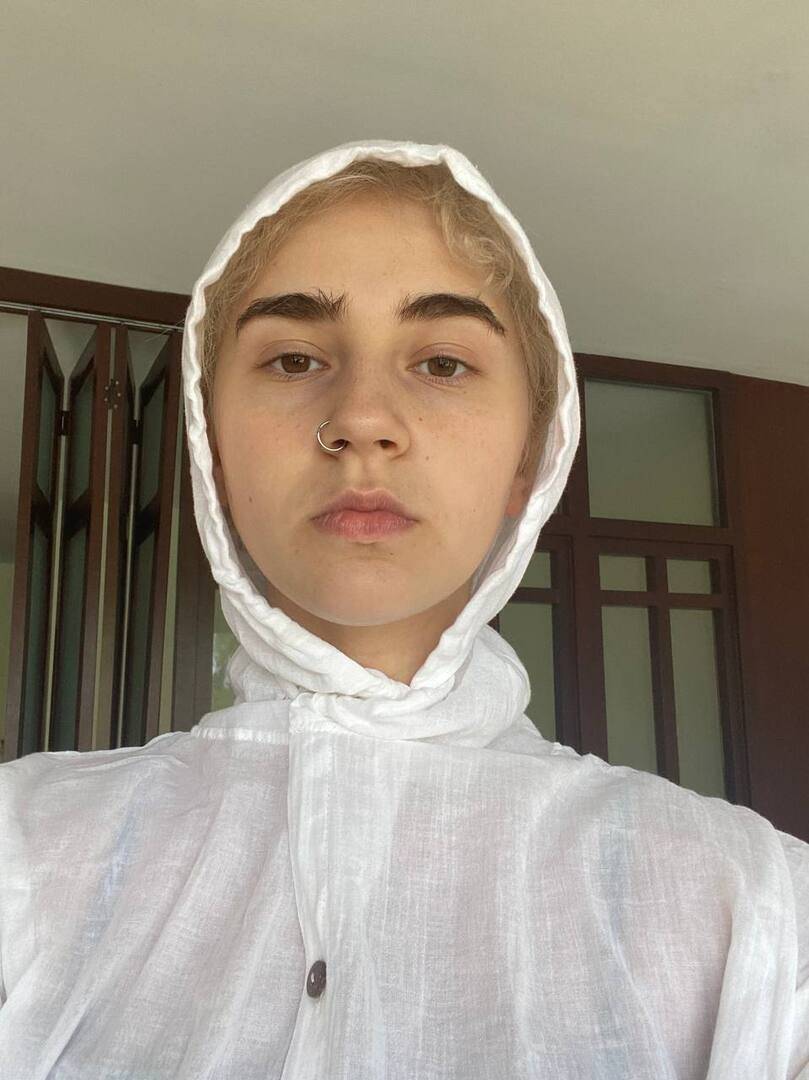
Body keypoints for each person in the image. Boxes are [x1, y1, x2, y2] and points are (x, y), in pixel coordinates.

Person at [0, 138, 806, 1078]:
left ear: (531, 458)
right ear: (210, 443)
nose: (361, 419)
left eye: (444, 364)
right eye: (293, 358)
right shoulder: (27, 847)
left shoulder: (751, 906)